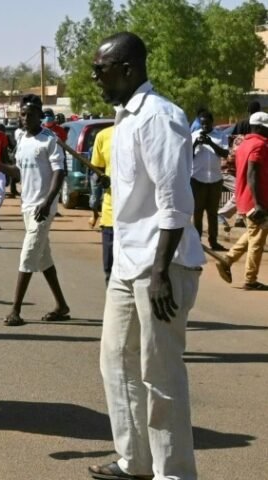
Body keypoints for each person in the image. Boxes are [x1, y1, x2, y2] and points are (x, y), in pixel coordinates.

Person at [88, 31, 206, 480]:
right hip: (129, 262)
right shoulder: (124, 121)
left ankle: (173, 473)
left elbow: (175, 202)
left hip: (162, 266)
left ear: (128, 69)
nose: (96, 77)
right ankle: (134, 459)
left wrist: (159, 273)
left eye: (101, 69)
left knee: (160, 373)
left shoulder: (159, 117)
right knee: (115, 359)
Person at [3, 95, 71, 327]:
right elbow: (19, 172)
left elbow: (59, 172)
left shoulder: (49, 140)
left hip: (43, 208)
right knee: (43, 258)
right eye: (22, 114)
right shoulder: (21, 138)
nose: (25, 118)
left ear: (39, 116)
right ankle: (61, 305)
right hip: (27, 205)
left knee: (28, 253)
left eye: (30, 114)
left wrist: (48, 200)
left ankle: (15, 310)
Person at [215, 111, 268, 291]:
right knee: (257, 240)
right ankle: (250, 279)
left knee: (253, 234)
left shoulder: (243, 144)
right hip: (256, 201)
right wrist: (258, 202)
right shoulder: (260, 145)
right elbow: (252, 172)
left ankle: (226, 260)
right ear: (260, 128)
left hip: (243, 198)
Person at [190, 110, 228, 251]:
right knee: (197, 212)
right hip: (197, 180)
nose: (204, 126)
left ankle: (214, 241)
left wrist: (210, 143)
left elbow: (225, 153)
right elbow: (187, 157)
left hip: (215, 180)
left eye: (207, 123)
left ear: (212, 122)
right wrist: (195, 145)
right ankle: (197, 242)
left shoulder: (220, 135)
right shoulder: (194, 135)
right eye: (202, 123)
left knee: (212, 213)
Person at [89, 125, 116, 284]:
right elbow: (96, 170)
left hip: (139, 221)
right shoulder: (104, 136)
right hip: (110, 217)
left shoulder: (147, 134)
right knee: (110, 271)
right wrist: (100, 178)